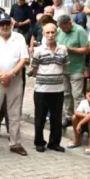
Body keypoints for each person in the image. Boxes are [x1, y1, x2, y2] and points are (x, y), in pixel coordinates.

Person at [0, 14, 30, 157]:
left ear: (12, 24)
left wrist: (11, 74)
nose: (5, 26)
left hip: (14, 81)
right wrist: (1, 75)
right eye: (2, 24)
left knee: (14, 114)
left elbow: (24, 59)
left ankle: (15, 144)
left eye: (7, 23)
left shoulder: (19, 37)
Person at [29, 23, 68, 153]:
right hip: (42, 90)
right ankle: (39, 142)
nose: (50, 35)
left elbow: (64, 66)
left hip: (58, 89)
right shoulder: (38, 50)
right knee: (40, 117)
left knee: (56, 118)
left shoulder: (63, 49)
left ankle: (54, 143)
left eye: (53, 32)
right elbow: (33, 68)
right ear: (43, 33)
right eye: (48, 33)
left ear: (56, 33)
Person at [56, 15, 90, 129]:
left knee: (77, 95)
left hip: (76, 68)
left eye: (64, 27)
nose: (62, 30)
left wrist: (70, 49)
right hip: (63, 68)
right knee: (66, 94)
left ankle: (81, 118)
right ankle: (69, 117)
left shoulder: (80, 31)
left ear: (69, 23)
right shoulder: (59, 30)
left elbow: (86, 49)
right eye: (60, 28)